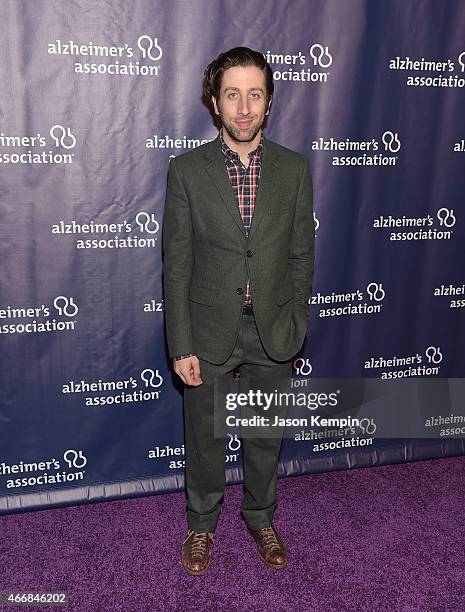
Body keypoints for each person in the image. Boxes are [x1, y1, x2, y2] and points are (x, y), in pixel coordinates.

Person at [162, 46, 315, 576]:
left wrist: (296, 326)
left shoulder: (295, 169)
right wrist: (180, 342)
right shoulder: (186, 171)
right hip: (207, 330)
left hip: (273, 329)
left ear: (269, 102)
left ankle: (260, 516)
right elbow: (176, 264)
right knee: (204, 440)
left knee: (264, 437)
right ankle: (201, 525)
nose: (244, 107)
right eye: (233, 95)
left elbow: (301, 256)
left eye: (255, 95)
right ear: (214, 102)